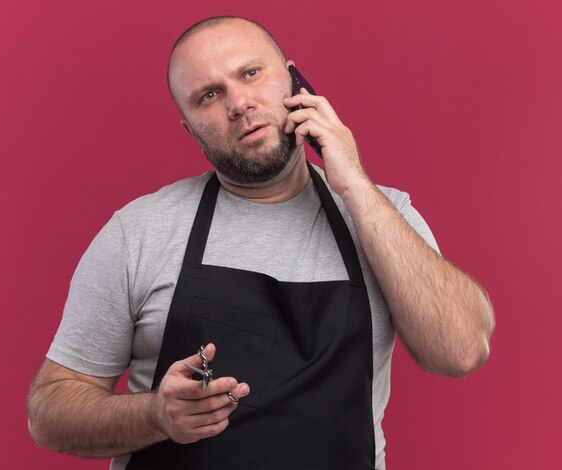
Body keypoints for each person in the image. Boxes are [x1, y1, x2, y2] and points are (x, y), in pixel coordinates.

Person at [27, 16, 495, 470]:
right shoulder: (140, 232)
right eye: (209, 95)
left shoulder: (382, 214)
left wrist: (355, 186)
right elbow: (49, 413)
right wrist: (155, 415)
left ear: (295, 82)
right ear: (191, 130)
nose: (239, 103)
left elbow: (460, 351)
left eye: (251, 73)